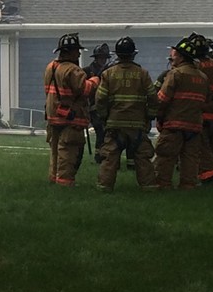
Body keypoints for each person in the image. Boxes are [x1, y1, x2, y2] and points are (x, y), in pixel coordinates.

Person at [93, 37, 158, 192]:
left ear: (117, 54)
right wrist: (149, 117)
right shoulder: (142, 74)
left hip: (115, 123)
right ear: (133, 54)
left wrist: (104, 116)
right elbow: (153, 98)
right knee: (142, 156)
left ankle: (104, 186)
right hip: (137, 124)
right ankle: (148, 186)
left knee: (110, 157)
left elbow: (100, 99)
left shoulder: (108, 74)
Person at [153, 36, 210, 190]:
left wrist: (159, 117)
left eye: (175, 55)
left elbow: (162, 99)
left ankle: (163, 185)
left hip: (174, 125)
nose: (173, 58)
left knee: (165, 156)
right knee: (190, 158)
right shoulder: (203, 77)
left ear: (182, 57)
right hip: (194, 126)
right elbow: (206, 101)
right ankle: (188, 185)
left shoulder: (175, 74)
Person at [44, 33, 100, 186]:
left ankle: (54, 178)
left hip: (53, 115)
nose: (79, 54)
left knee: (55, 150)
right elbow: (85, 90)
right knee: (68, 151)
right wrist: (95, 80)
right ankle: (65, 182)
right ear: (69, 52)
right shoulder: (73, 70)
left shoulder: (50, 67)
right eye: (76, 50)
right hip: (70, 117)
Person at [190, 33, 213, 186]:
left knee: (201, 149)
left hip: (200, 114)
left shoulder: (195, 67)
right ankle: (207, 176)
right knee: (211, 149)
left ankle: (207, 178)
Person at [85, 42, 112, 164]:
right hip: (93, 107)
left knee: (106, 132)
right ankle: (98, 156)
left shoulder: (109, 71)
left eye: (105, 58)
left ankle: (103, 155)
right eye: (101, 57)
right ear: (96, 58)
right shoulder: (87, 71)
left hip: (105, 107)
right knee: (100, 131)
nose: (103, 60)